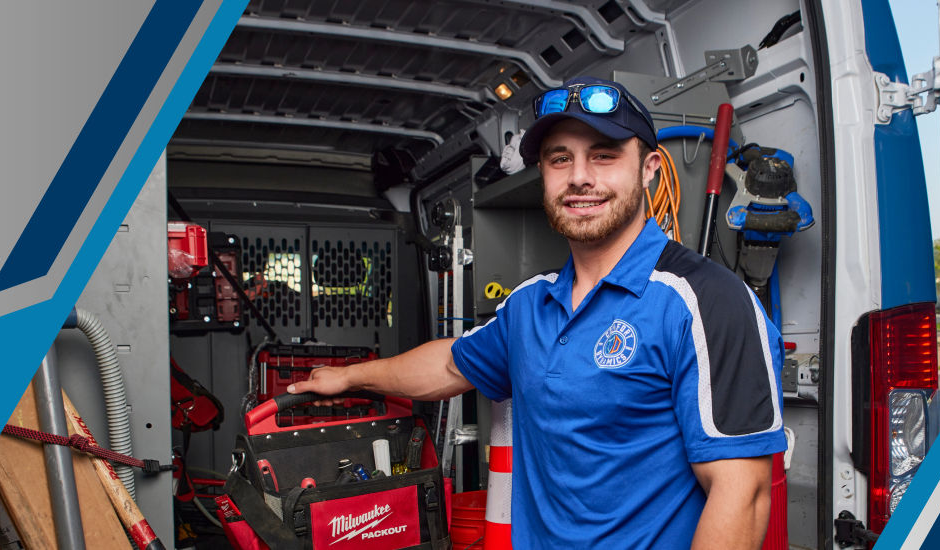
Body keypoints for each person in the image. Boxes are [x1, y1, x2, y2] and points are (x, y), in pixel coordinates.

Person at [287, 76, 785, 549]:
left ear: (650, 168)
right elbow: (447, 365)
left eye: (605, 156)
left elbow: (743, 494)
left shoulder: (703, 301)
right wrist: (349, 378)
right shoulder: (530, 303)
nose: (581, 178)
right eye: (560, 159)